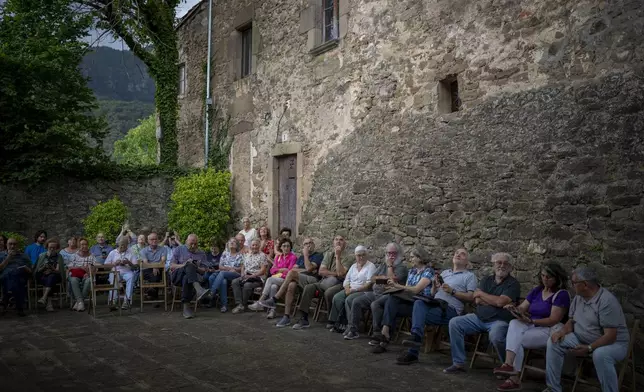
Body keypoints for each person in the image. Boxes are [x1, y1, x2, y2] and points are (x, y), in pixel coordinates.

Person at [545, 267, 629, 392]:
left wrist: (589, 347)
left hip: (613, 344)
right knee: (554, 342)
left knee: (600, 355)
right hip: (582, 339)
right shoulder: (579, 297)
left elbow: (610, 336)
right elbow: (571, 321)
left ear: (585, 284)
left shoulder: (606, 301)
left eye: (573, 283)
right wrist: (561, 332)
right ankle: (553, 389)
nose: (571, 285)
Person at [492, 262, 571, 391]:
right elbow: (523, 308)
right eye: (543, 275)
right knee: (514, 323)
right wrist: (514, 309)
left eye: (549, 277)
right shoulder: (537, 290)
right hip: (531, 325)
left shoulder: (561, 294)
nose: (545, 279)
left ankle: (513, 378)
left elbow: (553, 320)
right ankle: (508, 364)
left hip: (548, 329)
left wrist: (531, 320)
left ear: (557, 278)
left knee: (517, 340)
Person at [443, 252, 521, 374]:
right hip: (478, 318)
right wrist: (493, 300)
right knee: (455, 323)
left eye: (505, 263)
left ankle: (506, 367)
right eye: (498, 262)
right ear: (493, 265)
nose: (502, 265)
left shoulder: (513, 283)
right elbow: (477, 299)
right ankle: (458, 363)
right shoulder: (486, 280)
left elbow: (500, 302)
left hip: (499, 321)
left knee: (496, 336)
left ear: (510, 267)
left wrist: (483, 295)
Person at [398, 248, 477, 364]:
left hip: (450, 310)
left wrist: (452, 291)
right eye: (456, 253)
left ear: (467, 262)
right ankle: (415, 339)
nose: (458, 255)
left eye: (462, 254)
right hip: (434, 304)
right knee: (418, 303)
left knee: (418, 311)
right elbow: (432, 294)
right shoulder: (445, 273)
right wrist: (435, 287)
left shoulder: (469, 276)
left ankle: (412, 352)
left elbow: (471, 298)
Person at [371, 246, 434, 353]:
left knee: (389, 303)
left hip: (419, 304)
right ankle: (384, 335)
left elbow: (414, 289)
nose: (410, 259)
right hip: (405, 299)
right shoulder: (411, 271)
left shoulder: (423, 271)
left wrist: (395, 283)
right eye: (388, 253)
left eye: (412, 257)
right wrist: (390, 285)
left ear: (420, 258)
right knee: (389, 303)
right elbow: (372, 279)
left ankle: (383, 337)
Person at [287, 235, 354, 330]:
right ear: (333, 242)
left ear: (345, 243)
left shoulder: (349, 258)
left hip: (340, 284)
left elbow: (341, 274)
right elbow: (321, 271)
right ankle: (304, 318)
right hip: (324, 282)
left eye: (341, 240)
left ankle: (332, 320)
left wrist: (338, 257)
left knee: (329, 292)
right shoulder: (328, 254)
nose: (338, 242)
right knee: (308, 287)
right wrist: (335, 273)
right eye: (336, 240)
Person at [345, 242, 408, 340]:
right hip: (375, 293)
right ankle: (353, 330)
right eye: (388, 253)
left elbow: (392, 281)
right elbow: (373, 278)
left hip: (390, 295)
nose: (390, 256)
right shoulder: (383, 265)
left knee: (375, 305)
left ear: (398, 254)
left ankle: (377, 334)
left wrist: (390, 267)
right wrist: (383, 278)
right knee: (356, 301)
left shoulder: (402, 268)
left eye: (393, 253)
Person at [255, 237, 324, 327]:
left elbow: (309, 268)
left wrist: (306, 257)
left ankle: (275, 299)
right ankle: (286, 316)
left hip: (312, 280)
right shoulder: (301, 257)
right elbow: (294, 269)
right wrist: (303, 269)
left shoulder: (317, 255)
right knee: (291, 285)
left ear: (314, 245)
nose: (308, 245)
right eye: (306, 244)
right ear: (303, 246)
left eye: (310, 243)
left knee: (291, 273)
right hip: (299, 279)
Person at [328, 245, 377, 334]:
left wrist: (353, 290)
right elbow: (347, 279)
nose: (361, 257)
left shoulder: (371, 266)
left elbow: (368, 284)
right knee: (337, 297)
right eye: (358, 255)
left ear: (366, 255)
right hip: (350, 289)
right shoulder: (353, 266)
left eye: (363, 255)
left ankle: (350, 325)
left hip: (363, 291)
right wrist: (347, 288)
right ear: (355, 256)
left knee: (349, 299)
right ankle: (335, 322)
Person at [170, 234, 211, 319]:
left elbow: (204, 270)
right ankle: (199, 289)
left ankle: (186, 308)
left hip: (193, 277)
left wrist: (196, 267)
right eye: (191, 243)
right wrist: (184, 265)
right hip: (177, 276)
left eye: (195, 244)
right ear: (186, 242)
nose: (193, 246)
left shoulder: (201, 253)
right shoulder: (179, 249)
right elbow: (172, 266)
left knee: (187, 277)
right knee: (188, 265)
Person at [254, 238, 297, 318]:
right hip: (277, 279)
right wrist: (282, 270)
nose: (286, 248)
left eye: (288, 246)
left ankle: (260, 301)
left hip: (287, 280)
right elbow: (272, 270)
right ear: (281, 247)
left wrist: (280, 271)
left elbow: (290, 271)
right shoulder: (278, 257)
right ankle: (272, 311)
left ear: (290, 247)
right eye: (284, 246)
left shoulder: (293, 257)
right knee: (273, 286)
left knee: (270, 279)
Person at [231, 239, 269, 314]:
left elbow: (263, 270)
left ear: (259, 246)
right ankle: (239, 304)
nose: (254, 247)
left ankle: (243, 305)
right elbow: (243, 266)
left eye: (256, 245)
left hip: (257, 278)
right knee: (235, 281)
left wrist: (251, 276)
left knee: (247, 285)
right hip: (246, 276)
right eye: (253, 245)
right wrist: (242, 273)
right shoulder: (247, 254)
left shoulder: (262, 255)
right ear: (250, 246)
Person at [209, 237, 244, 312]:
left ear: (237, 245)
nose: (232, 243)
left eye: (234, 242)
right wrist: (229, 269)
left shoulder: (240, 255)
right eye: (230, 241)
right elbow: (220, 266)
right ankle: (224, 306)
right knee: (223, 281)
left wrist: (233, 269)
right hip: (226, 274)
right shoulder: (225, 254)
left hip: (236, 274)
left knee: (221, 273)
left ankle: (212, 292)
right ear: (228, 244)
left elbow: (242, 268)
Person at [0, 238, 32, 316]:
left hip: (20, 277)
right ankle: (19, 308)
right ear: (6, 245)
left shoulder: (24, 256)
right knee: (11, 275)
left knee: (15, 276)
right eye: (10, 244)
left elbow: (31, 271)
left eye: (14, 244)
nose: (12, 246)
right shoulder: (1, 255)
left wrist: (26, 268)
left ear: (17, 246)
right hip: (4, 278)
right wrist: (8, 257)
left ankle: (5, 300)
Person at [104, 237, 138, 310]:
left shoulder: (131, 252)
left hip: (127, 271)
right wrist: (114, 263)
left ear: (127, 245)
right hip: (115, 271)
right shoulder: (112, 252)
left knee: (131, 276)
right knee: (113, 276)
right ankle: (113, 301)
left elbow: (136, 267)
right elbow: (105, 266)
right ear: (118, 244)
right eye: (121, 245)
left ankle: (127, 300)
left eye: (124, 245)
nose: (122, 247)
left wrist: (128, 262)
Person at [34, 238, 65, 311]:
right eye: (50, 247)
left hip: (54, 275)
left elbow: (58, 271)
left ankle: (45, 298)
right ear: (47, 247)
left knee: (51, 277)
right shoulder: (42, 255)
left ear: (57, 248)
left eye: (54, 248)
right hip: (42, 275)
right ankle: (49, 304)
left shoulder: (59, 256)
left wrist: (52, 269)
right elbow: (37, 270)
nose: (52, 249)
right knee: (49, 279)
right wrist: (44, 267)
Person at [67, 238, 96, 312]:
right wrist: (80, 267)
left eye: (86, 244)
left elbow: (95, 268)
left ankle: (79, 302)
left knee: (89, 280)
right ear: (79, 246)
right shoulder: (74, 256)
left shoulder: (92, 256)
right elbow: (69, 267)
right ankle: (80, 302)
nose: (84, 246)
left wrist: (89, 273)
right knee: (73, 280)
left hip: (87, 275)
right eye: (82, 244)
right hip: (76, 275)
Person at [140, 232, 167, 300]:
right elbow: (146, 263)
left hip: (160, 269)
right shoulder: (143, 251)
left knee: (157, 274)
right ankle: (154, 296)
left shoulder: (163, 249)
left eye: (156, 239)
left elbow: (163, 260)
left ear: (158, 240)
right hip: (147, 270)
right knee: (154, 274)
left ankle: (151, 291)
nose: (154, 240)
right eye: (152, 239)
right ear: (148, 241)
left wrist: (157, 267)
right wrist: (154, 267)